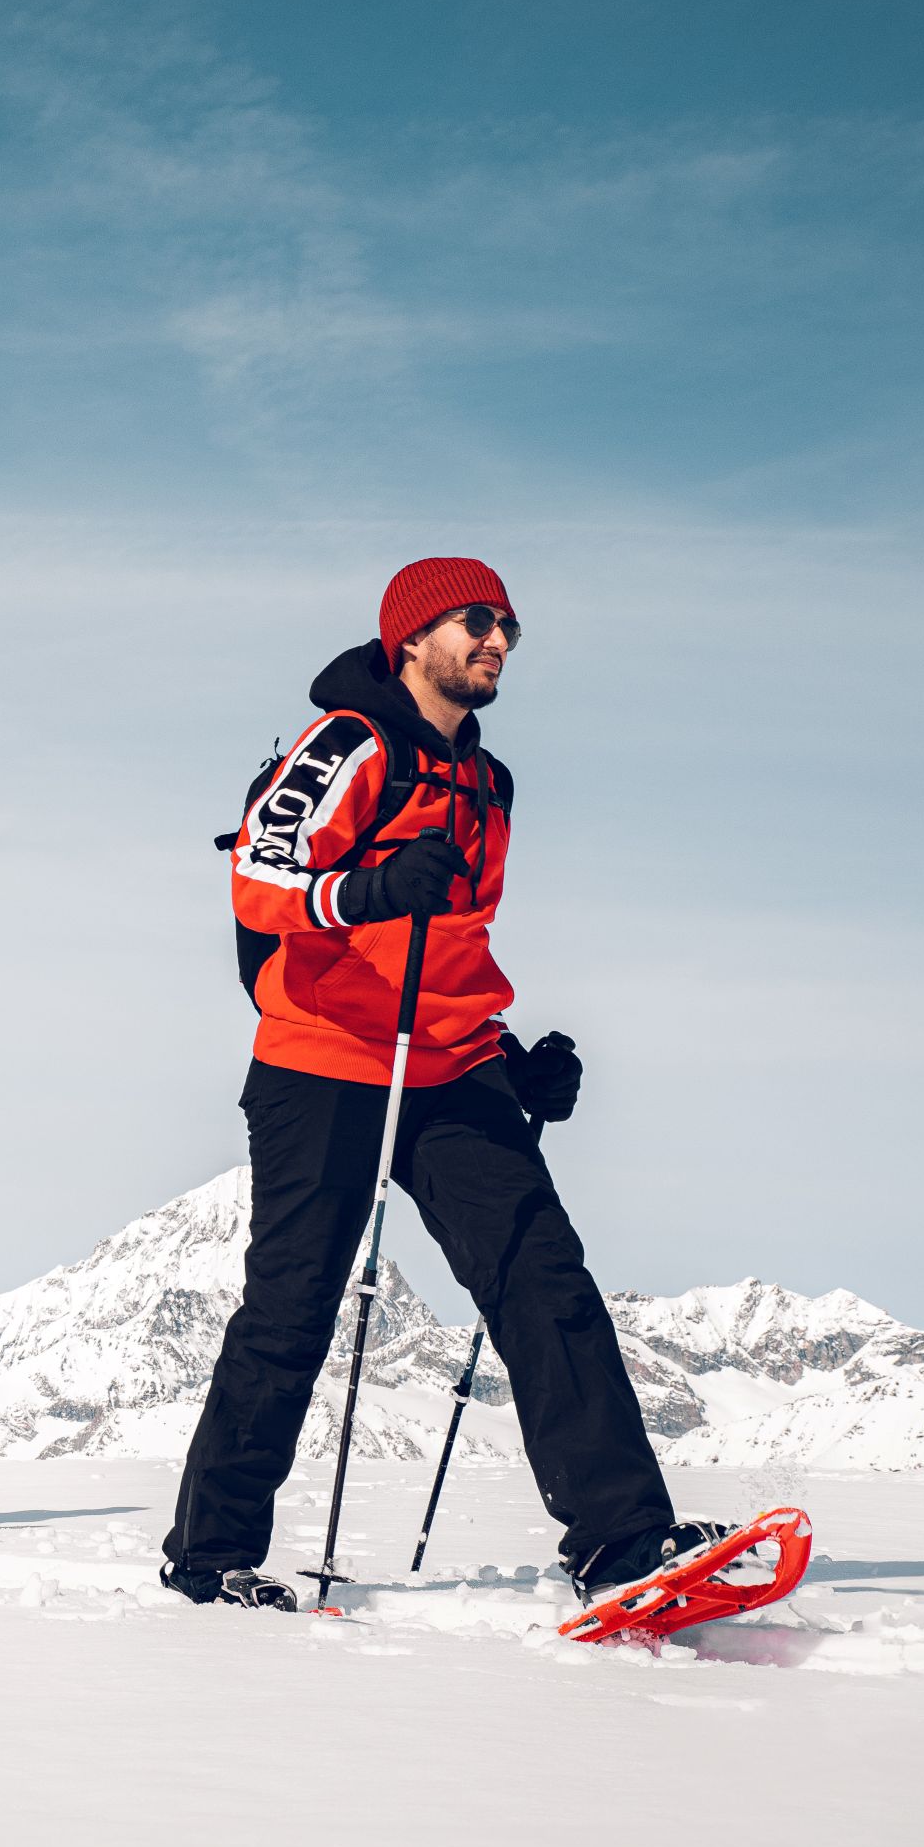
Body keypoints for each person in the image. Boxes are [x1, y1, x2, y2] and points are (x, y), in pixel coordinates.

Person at [160, 557, 727, 1609]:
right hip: (322, 1058)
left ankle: (622, 1539)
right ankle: (211, 1554)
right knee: (291, 1311)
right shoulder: (349, 739)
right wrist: (366, 885)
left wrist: (512, 1057)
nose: (498, 639)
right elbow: (265, 868)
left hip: (449, 1064)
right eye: (477, 620)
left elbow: (454, 943)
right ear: (413, 636)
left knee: (543, 1276)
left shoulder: (490, 782)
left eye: (509, 624)